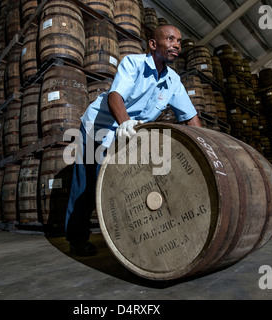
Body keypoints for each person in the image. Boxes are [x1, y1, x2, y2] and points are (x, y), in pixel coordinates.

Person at [65, 24, 202, 256]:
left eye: (179, 41)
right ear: (153, 44)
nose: (176, 45)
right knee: (87, 184)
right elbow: (115, 96)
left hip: (128, 132)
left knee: (132, 185)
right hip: (98, 127)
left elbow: (191, 118)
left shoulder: (173, 81)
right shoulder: (133, 64)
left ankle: (133, 239)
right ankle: (76, 238)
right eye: (170, 39)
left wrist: (204, 147)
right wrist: (125, 122)